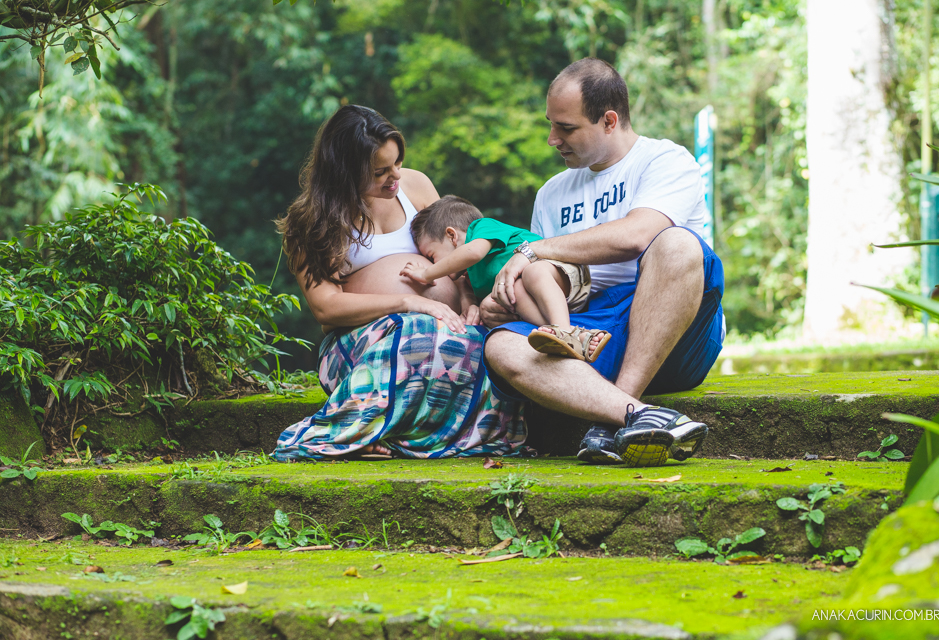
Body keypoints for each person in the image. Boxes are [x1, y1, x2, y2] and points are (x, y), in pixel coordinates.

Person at [480, 58, 724, 468]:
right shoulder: (551, 193)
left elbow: (636, 236)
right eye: (551, 124)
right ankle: (636, 416)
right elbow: (545, 279)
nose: (551, 139)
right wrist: (497, 303)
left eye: (566, 128)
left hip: (674, 336)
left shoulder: (665, 160)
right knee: (501, 346)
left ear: (609, 120)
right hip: (590, 336)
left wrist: (534, 250)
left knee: (678, 244)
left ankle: (617, 414)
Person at [271, 105, 526, 461]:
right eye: (380, 172)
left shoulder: (415, 185)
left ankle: (393, 437)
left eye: (397, 163)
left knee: (482, 344)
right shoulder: (313, 221)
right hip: (361, 341)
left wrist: (468, 299)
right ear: (345, 173)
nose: (395, 177)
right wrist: (409, 303)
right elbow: (326, 308)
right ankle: (352, 434)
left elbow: (460, 246)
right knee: (416, 335)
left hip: (445, 321)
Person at [399, 195, 610, 362]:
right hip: (541, 300)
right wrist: (468, 304)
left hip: (558, 271)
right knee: (498, 299)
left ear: (452, 235)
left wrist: (426, 274)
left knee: (531, 272)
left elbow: (472, 253)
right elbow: (466, 289)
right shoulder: (470, 275)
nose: (434, 265)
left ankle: (563, 330)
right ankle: (575, 336)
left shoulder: (480, 228)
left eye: (431, 256)